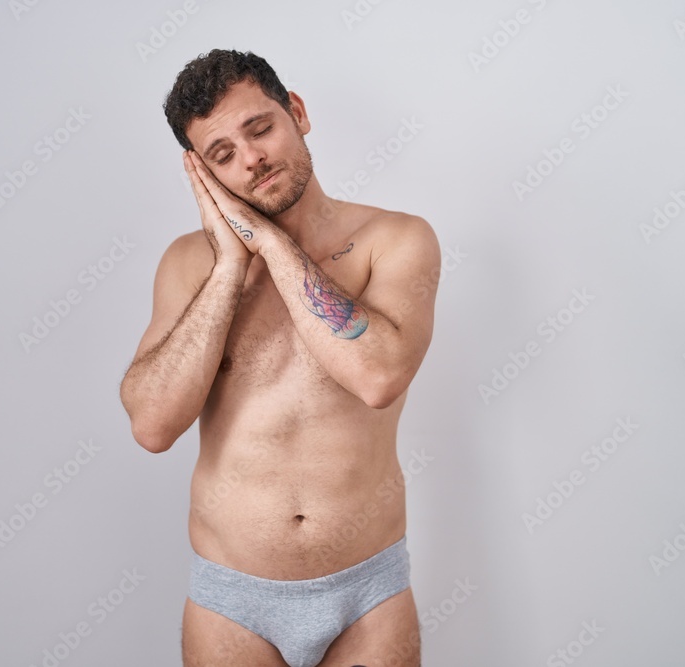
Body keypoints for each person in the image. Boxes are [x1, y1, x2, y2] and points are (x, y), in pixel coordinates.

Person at [120, 49, 440, 667]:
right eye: (221, 154)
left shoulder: (396, 240)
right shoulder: (189, 264)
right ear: (201, 171)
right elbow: (152, 425)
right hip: (233, 597)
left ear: (296, 112)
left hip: (367, 592)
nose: (251, 159)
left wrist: (269, 240)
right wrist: (231, 268)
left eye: (260, 128)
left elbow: (376, 377)